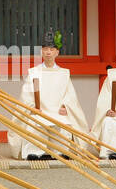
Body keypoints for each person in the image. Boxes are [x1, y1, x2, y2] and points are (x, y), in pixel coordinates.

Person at [14, 31, 89, 160]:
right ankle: (36, 152)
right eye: (45, 49)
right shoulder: (34, 72)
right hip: (40, 112)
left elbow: (70, 96)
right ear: (41, 52)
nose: (48, 52)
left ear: (57, 52)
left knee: (64, 123)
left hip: (57, 113)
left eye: (51, 49)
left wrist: (66, 106)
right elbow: (26, 96)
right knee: (35, 121)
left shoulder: (63, 73)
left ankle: (60, 152)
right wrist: (32, 107)